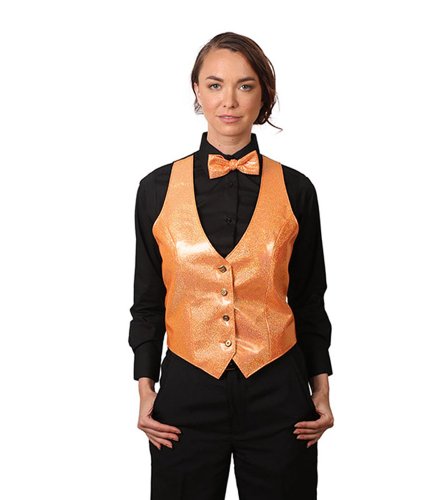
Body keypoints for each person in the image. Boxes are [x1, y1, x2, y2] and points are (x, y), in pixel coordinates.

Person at [128, 31, 335, 500]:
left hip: (279, 392)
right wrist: (145, 388)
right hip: (186, 392)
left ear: (263, 95)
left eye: (245, 86)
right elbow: (148, 302)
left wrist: (321, 389)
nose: (229, 101)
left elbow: (309, 299)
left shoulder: (298, 189)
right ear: (197, 91)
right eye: (215, 85)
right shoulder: (155, 188)